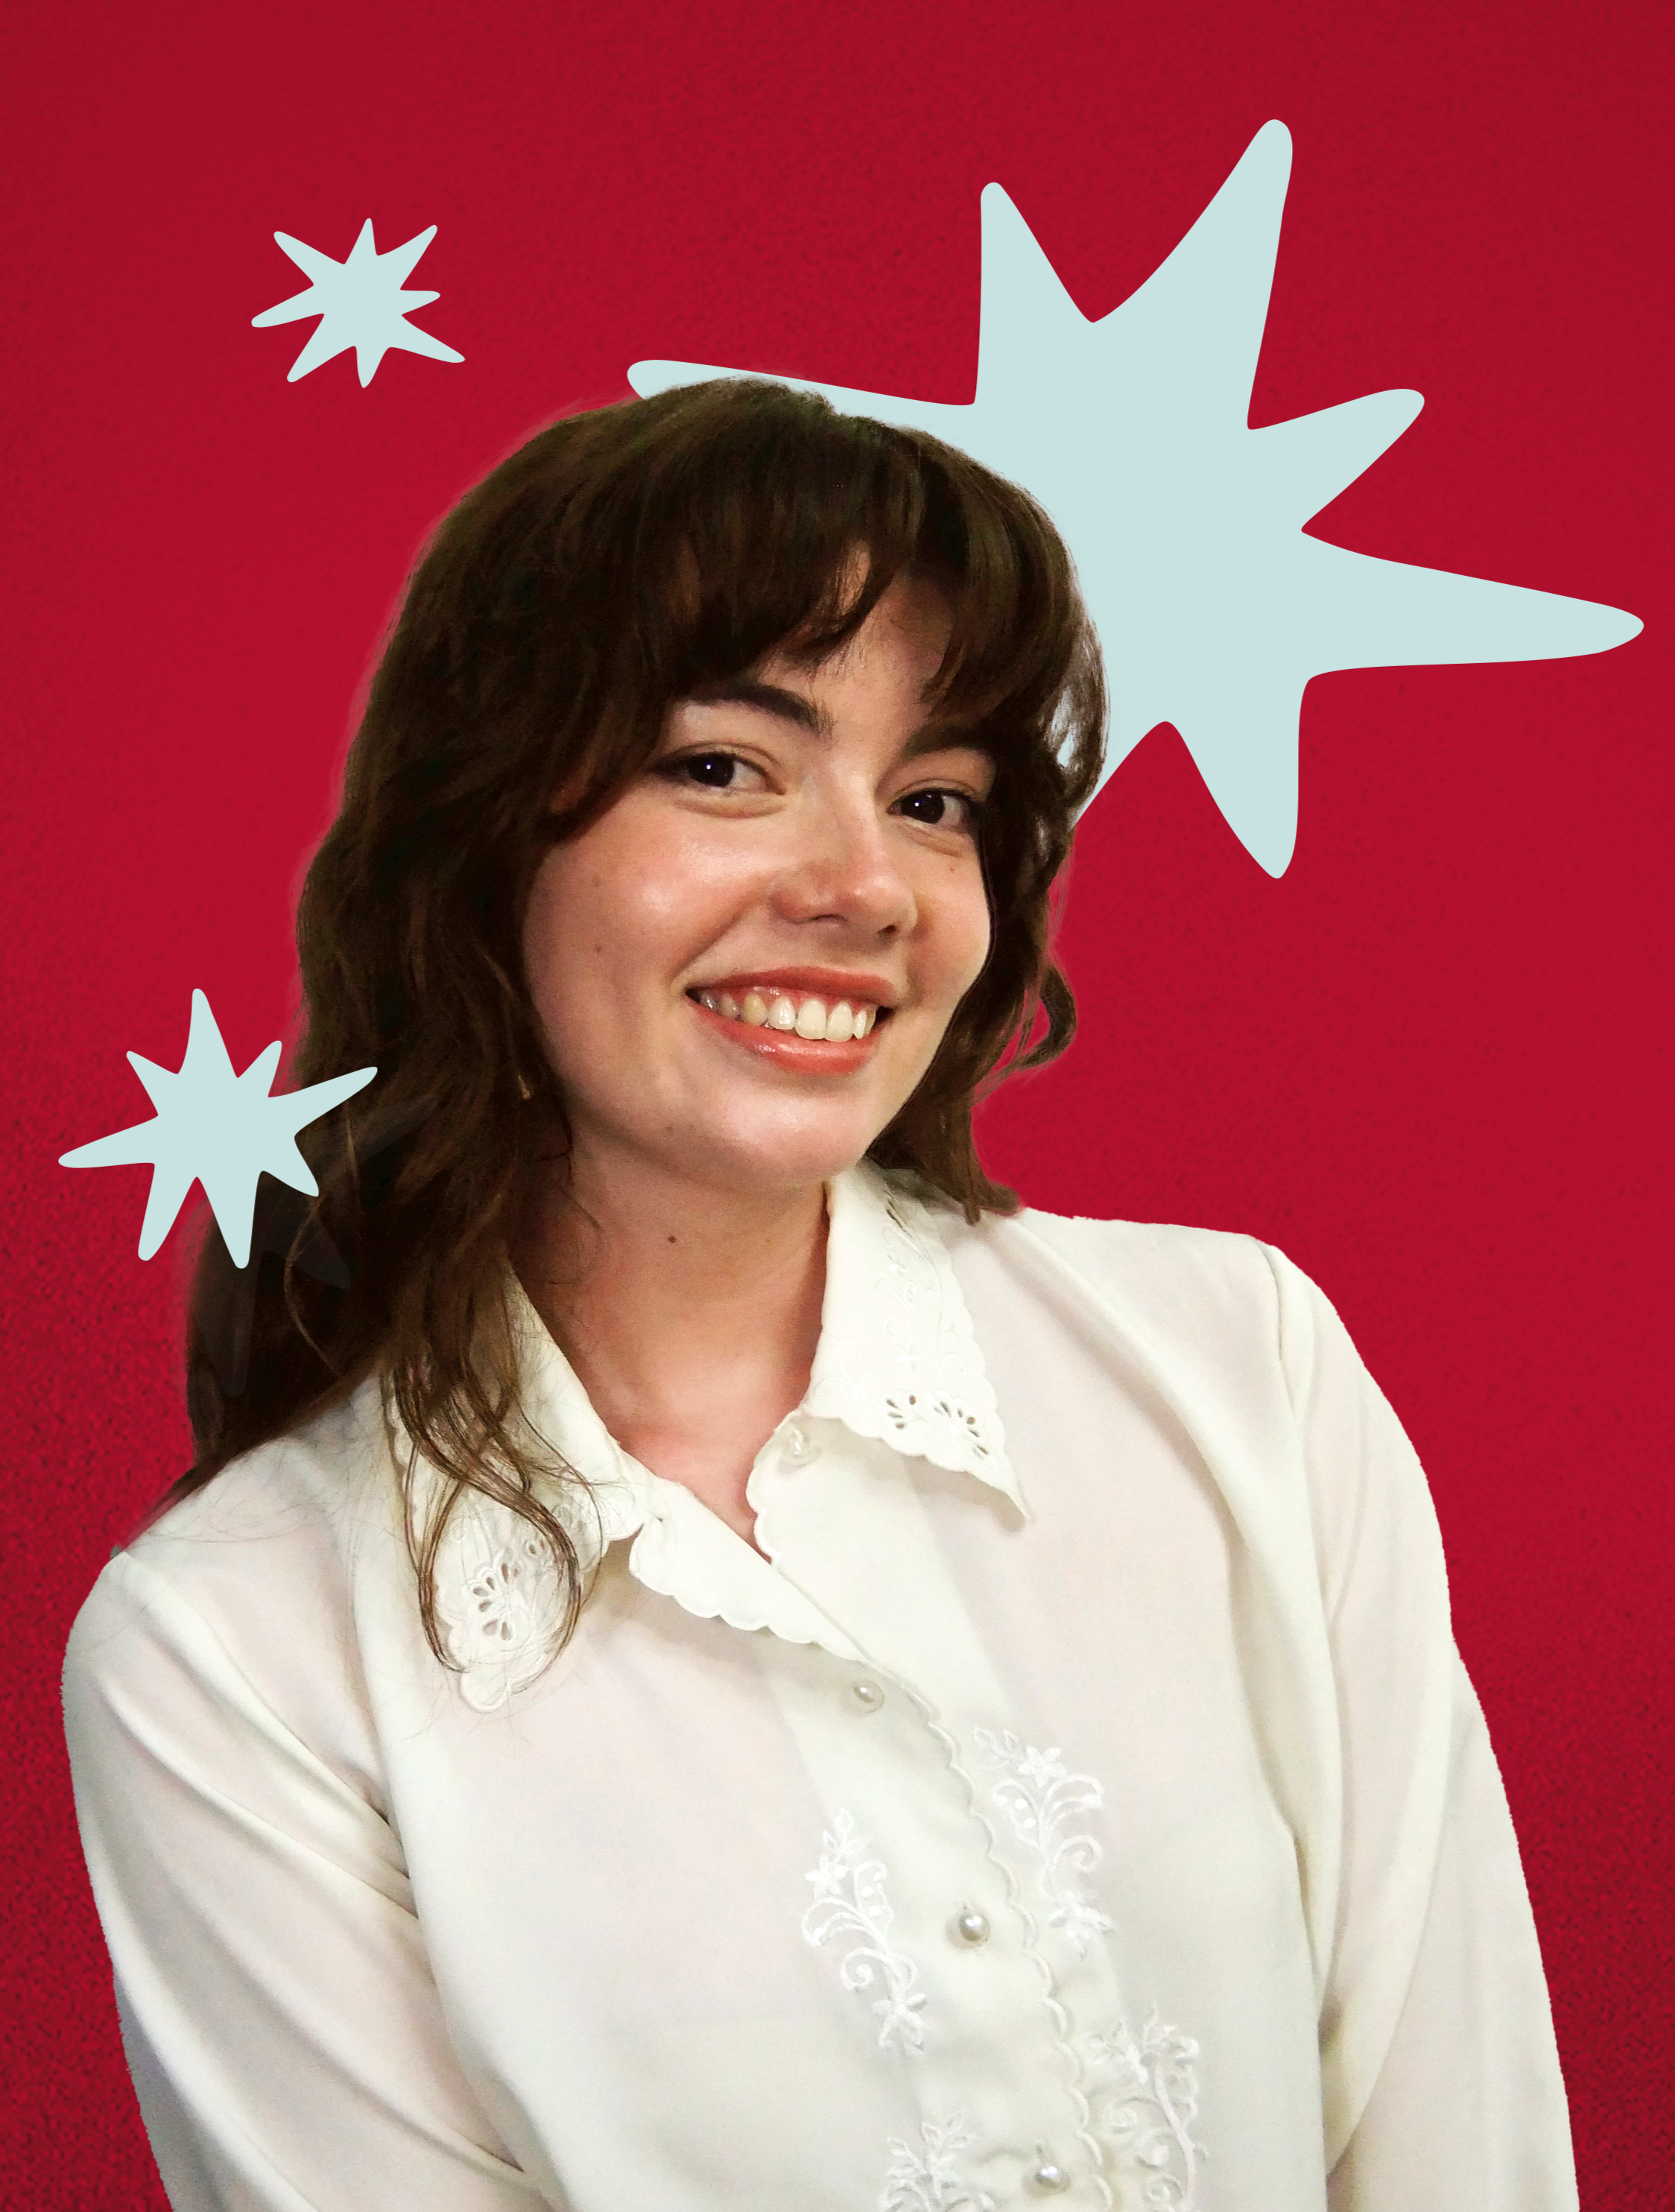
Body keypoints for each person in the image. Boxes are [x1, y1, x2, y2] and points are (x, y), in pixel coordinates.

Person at [62, 378, 1577, 2212]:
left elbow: (1463, 2139)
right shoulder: (236, 1650)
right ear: (484, 844)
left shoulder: (1238, 1369)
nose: (866, 885)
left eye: (937, 797)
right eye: (723, 765)